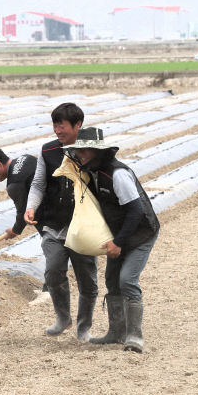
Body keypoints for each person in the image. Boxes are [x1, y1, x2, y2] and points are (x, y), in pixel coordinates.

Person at [63, 127, 160, 353]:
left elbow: (136, 211)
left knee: (127, 280)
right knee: (112, 280)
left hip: (140, 233)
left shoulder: (117, 174)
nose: (81, 154)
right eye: (79, 150)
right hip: (118, 231)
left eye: (87, 150)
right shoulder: (91, 174)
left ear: (99, 152)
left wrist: (118, 243)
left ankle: (135, 335)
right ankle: (116, 332)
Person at [24, 103, 98, 341]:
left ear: (77, 125)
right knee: (53, 270)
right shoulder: (48, 152)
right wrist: (31, 206)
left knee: (87, 278)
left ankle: (84, 326)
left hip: (83, 227)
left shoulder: (91, 151)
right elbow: (38, 184)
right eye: (54, 124)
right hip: (53, 225)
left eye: (61, 125)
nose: (57, 129)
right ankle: (63, 317)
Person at [0, 146, 50, 305]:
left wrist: (15, 230)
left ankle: (49, 292)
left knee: (51, 247)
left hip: (49, 213)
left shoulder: (14, 184)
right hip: (57, 202)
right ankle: (49, 287)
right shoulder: (25, 158)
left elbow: (22, 212)